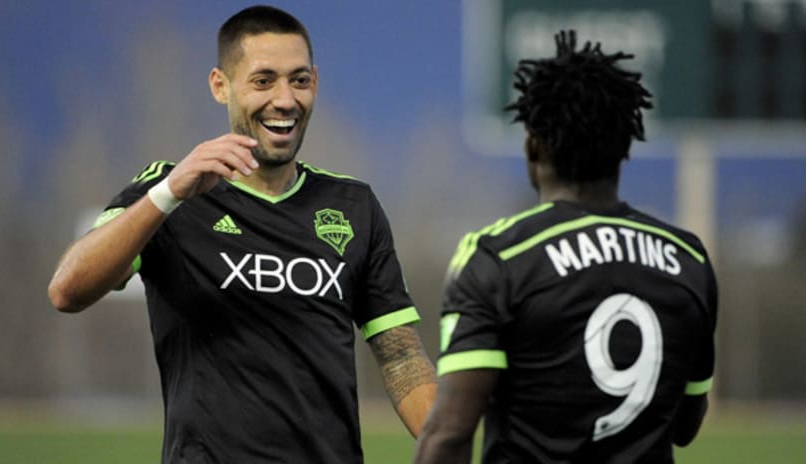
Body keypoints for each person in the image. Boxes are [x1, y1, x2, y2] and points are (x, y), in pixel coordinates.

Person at [48, 5, 436, 463]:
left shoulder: (354, 206)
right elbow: (68, 289)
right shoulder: (170, 192)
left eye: (299, 80)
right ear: (221, 86)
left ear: (315, 82)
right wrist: (170, 192)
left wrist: (450, 448)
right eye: (263, 80)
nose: (285, 99)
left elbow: (401, 356)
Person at [414, 30, 717, 464]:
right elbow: (687, 424)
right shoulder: (689, 260)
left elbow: (450, 432)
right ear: (625, 146)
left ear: (533, 146)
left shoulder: (499, 257)